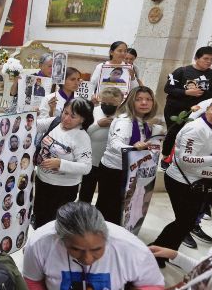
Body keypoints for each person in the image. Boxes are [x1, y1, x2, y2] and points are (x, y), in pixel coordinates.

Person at [23, 202, 165, 290]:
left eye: (97, 249)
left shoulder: (130, 248)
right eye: (76, 249)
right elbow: (32, 281)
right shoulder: (41, 243)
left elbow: (153, 284)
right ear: (61, 239)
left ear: (106, 238)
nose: (87, 259)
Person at [150, 97, 212, 263]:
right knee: (184, 222)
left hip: (198, 180)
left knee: (185, 223)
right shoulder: (196, 129)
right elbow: (185, 160)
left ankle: (164, 253)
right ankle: (155, 253)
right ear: (207, 109)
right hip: (182, 182)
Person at [96, 86, 163, 225]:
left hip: (130, 170)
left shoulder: (143, 121)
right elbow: (116, 143)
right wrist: (133, 148)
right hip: (115, 171)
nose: (144, 103)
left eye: (148, 99)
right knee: (109, 209)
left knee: (121, 208)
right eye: (139, 99)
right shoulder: (125, 120)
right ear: (131, 102)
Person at [33, 99, 94, 229]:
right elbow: (32, 125)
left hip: (63, 189)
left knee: (54, 225)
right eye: (65, 113)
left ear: (82, 119)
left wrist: (60, 163)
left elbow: (86, 167)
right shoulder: (55, 122)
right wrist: (30, 115)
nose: (66, 118)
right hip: (42, 182)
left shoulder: (81, 137)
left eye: (73, 116)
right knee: (39, 218)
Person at [162, 46, 212, 161]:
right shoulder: (181, 71)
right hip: (177, 109)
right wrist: (187, 92)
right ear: (196, 58)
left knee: (192, 135)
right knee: (173, 133)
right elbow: (168, 89)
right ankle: (166, 158)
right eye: (206, 58)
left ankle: (184, 158)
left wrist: (204, 93)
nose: (209, 62)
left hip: (199, 111)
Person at [79, 87, 122, 204]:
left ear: (119, 103)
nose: (107, 105)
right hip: (91, 160)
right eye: (104, 103)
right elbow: (81, 134)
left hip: (110, 164)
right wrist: (97, 124)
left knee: (106, 196)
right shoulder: (93, 111)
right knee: (85, 193)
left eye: (111, 103)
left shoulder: (122, 116)